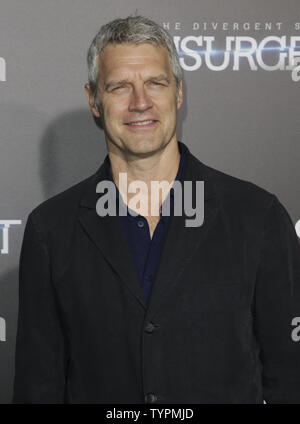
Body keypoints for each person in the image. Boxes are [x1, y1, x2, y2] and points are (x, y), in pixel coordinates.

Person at [13, 15, 300, 404]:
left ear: (178, 93)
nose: (140, 102)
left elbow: (291, 375)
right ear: (94, 100)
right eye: (120, 87)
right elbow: (38, 386)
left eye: (155, 83)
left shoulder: (256, 217)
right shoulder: (51, 230)